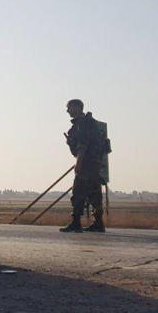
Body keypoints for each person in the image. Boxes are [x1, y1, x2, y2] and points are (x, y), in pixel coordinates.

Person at [60, 99, 106, 233]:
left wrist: (78, 163)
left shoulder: (82, 124)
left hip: (86, 163)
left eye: (69, 108)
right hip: (94, 164)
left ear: (78, 107)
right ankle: (98, 223)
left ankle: (76, 223)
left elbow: (82, 146)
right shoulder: (91, 123)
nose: (68, 111)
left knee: (78, 192)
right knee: (94, 193)